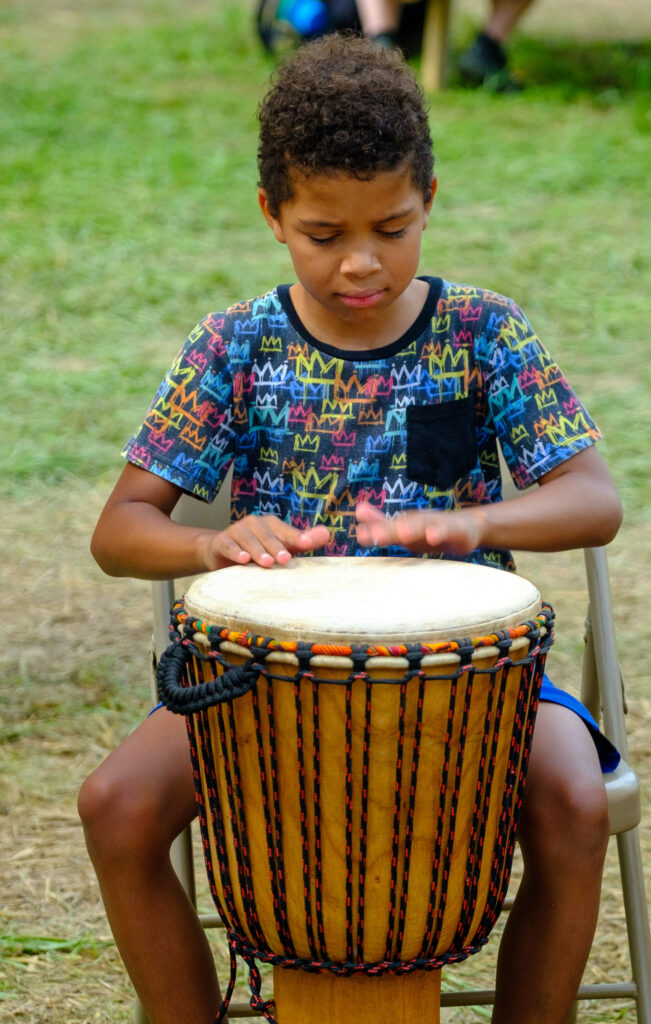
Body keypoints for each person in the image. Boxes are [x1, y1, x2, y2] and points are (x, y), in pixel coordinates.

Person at [79, 33, 621, 1024]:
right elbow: (119, 529)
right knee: (115, 807)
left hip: (479, 674)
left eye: (394, 226)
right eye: (325, 234)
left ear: (431, 200)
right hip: (261, 679)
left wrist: (476, 523)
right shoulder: (237, 345)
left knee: (577, 803)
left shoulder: (484, 332)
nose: (362, 260)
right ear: (273, 217)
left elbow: (595, 501)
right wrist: (210, 542)